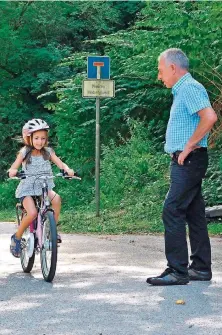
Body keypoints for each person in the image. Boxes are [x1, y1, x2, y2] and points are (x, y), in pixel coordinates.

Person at [146, 48, 218, 286]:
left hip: (189, 159)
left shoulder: (189, 88)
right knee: (193, 213)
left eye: (160, 70)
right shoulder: (183, 90)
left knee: (172, 209)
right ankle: (200, 268)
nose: (159, 76)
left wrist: (188, 146)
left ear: (173, 68)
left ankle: (177, 271)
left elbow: (209, 117)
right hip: (188, 160)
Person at [8, 118, 74, 258]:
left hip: (44, 186)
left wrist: (67, 169)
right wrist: (13, 171)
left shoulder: (48, 152)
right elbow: (14, 167)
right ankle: (17, 237)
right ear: (29, 138)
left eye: (43, 138)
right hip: (27, 189)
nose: (40, 141)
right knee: (31, 213)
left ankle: (51, 231)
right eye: (36, 138)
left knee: (56, 199)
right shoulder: (25, 152)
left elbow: (60, 164)